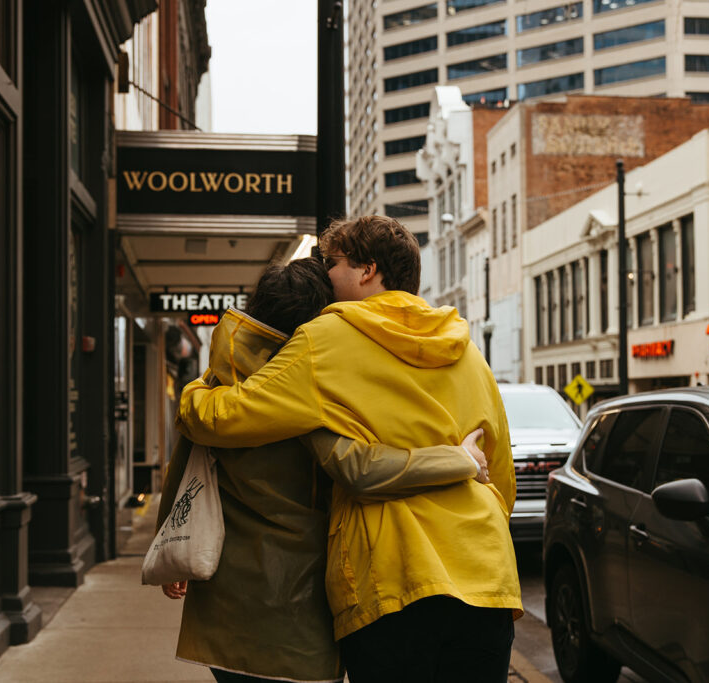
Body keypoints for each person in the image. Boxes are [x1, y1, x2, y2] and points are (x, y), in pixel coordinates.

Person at [178, 216, 522, 682]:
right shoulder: (467, 350)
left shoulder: (326, 340)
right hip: (488, 574)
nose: (325, 273)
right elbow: (500, 474)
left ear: (367, 271)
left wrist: (196, 392)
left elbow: (227, 417)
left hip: (394, 578)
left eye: (332, 262)